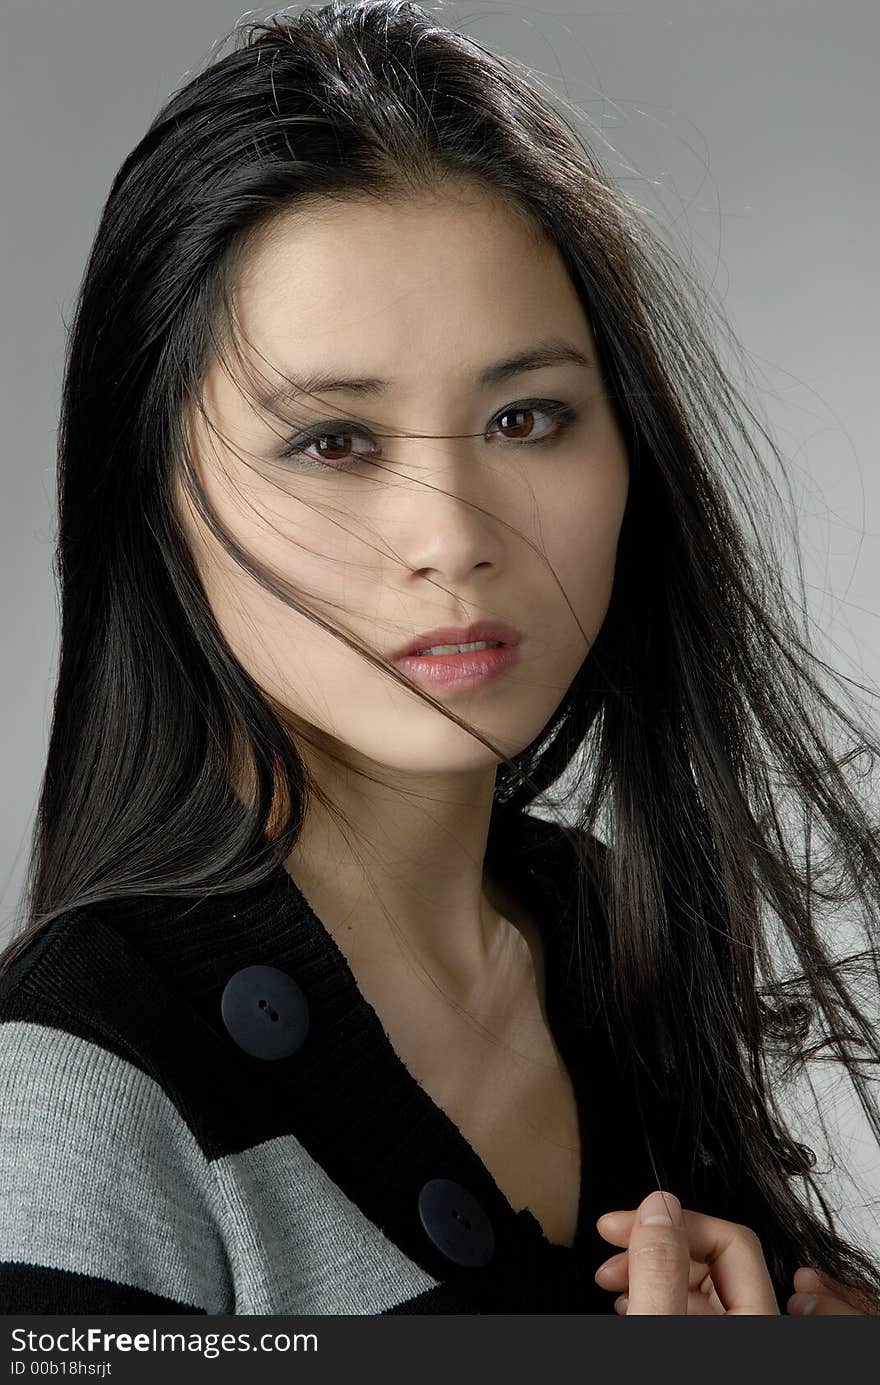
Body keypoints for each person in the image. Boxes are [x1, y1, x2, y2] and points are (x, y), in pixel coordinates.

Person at [1, 0, 878, 1316]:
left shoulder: (607, 940)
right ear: (155, 497)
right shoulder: (74, 1086)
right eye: (333, 442)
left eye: (527, 416)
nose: (455, 537)